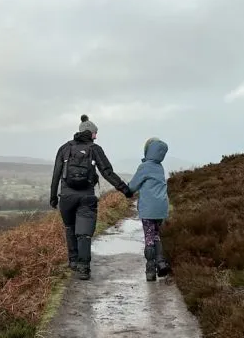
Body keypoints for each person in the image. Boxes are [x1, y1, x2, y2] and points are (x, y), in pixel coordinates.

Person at [50, 115, 132, 280]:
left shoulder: (64, 148)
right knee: (84, 233)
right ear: (89, 132)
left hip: (66, 197)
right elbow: (107, 172)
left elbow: (56, 174)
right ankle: (84, 268)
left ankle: (73, 261)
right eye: (95, 133)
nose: (96, 136)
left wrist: (53, 197)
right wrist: (125, 189)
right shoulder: (95, 149)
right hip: (86, 196)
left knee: (70, 228)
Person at [127, 137, 172, 281]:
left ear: (148, 151)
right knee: (156, 234)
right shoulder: (160, 167)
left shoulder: (144, 167)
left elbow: (132, 186)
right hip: (161, 208)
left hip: (148, 209)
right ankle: (161, 262)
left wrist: (126, 189)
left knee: (149, 237)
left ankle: (150, 270)